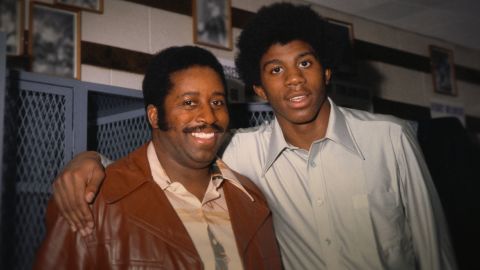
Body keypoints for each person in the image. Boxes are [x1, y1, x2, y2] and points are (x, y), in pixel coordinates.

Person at [51, 3, 457, 269]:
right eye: (275, 70)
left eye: (305, 63)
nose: (294, 79)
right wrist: (91, 162)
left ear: (327, 70)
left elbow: (435, 249)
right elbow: (172, 153)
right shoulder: (243, 151)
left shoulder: (391, 139)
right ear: (260, 89)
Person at [34, 46, 282, 269]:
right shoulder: (92, 201)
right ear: (154, 116)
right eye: (189, 102)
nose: (209, 116)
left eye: (217, 101)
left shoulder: (252, 199)